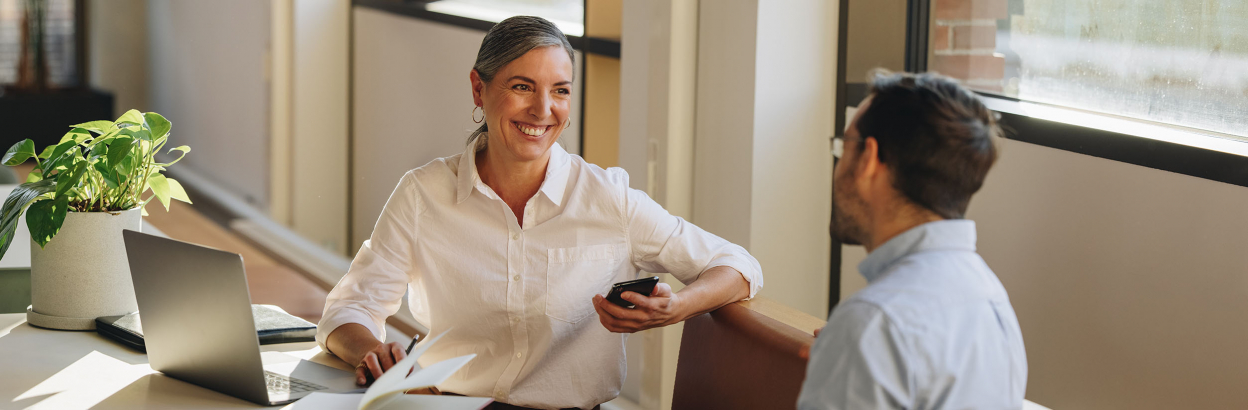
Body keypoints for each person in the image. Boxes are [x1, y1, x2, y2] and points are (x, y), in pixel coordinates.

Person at [316, 16, 762, 410]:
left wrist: (677, 307)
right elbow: (348, 308)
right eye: (522, 86)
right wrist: (372, 350)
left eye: (560, 91)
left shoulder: (609, 199)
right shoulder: (422, 194)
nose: (543, 110)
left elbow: (739, 266)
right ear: (479, 88)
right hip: (446, 406)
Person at [798, 71, 1027, 409]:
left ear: (868, 160)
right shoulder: (994, 304)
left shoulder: (871, 325)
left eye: (843, 146)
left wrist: (847, 357)